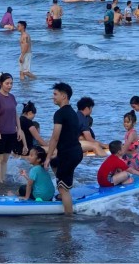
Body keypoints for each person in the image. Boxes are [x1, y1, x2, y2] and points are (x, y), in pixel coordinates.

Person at [44, 82, 83, 215]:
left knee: (63, 188)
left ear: (64, 96)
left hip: (69, 155)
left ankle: (68, 219)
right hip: (76, 152)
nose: (53, 97)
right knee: (55, 162)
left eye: (55, 94)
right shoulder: (73, 113)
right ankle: (63, 189)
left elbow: (55, 137)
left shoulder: (59, 113)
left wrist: (47, 157)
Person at [0, 72, 27, 183]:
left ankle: (3, 179)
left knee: (5, 159)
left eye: (11, 83)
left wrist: (19, 129)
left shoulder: (12, 97)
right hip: (0, 132)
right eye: (7, 83)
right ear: (1, 83)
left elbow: (15, 114)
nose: (10, 85)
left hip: (11, 132)